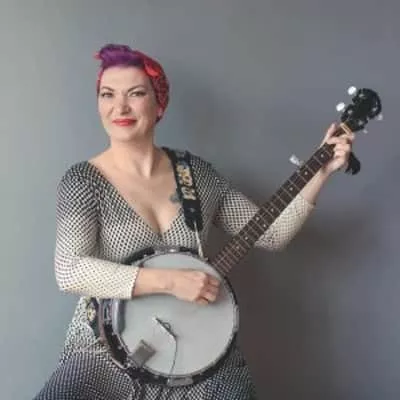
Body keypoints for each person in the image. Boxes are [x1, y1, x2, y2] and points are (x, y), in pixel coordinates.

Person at [34, 43, 354, 400]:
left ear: (159, 103)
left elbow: (273, 235)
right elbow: (70, 270)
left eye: (135, 93)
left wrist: (320, 173)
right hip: (105, 351)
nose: (119, 107)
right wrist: (171, 281)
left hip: (193, 348)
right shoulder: (83, 181)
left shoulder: (195, 174)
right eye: (108, 94)